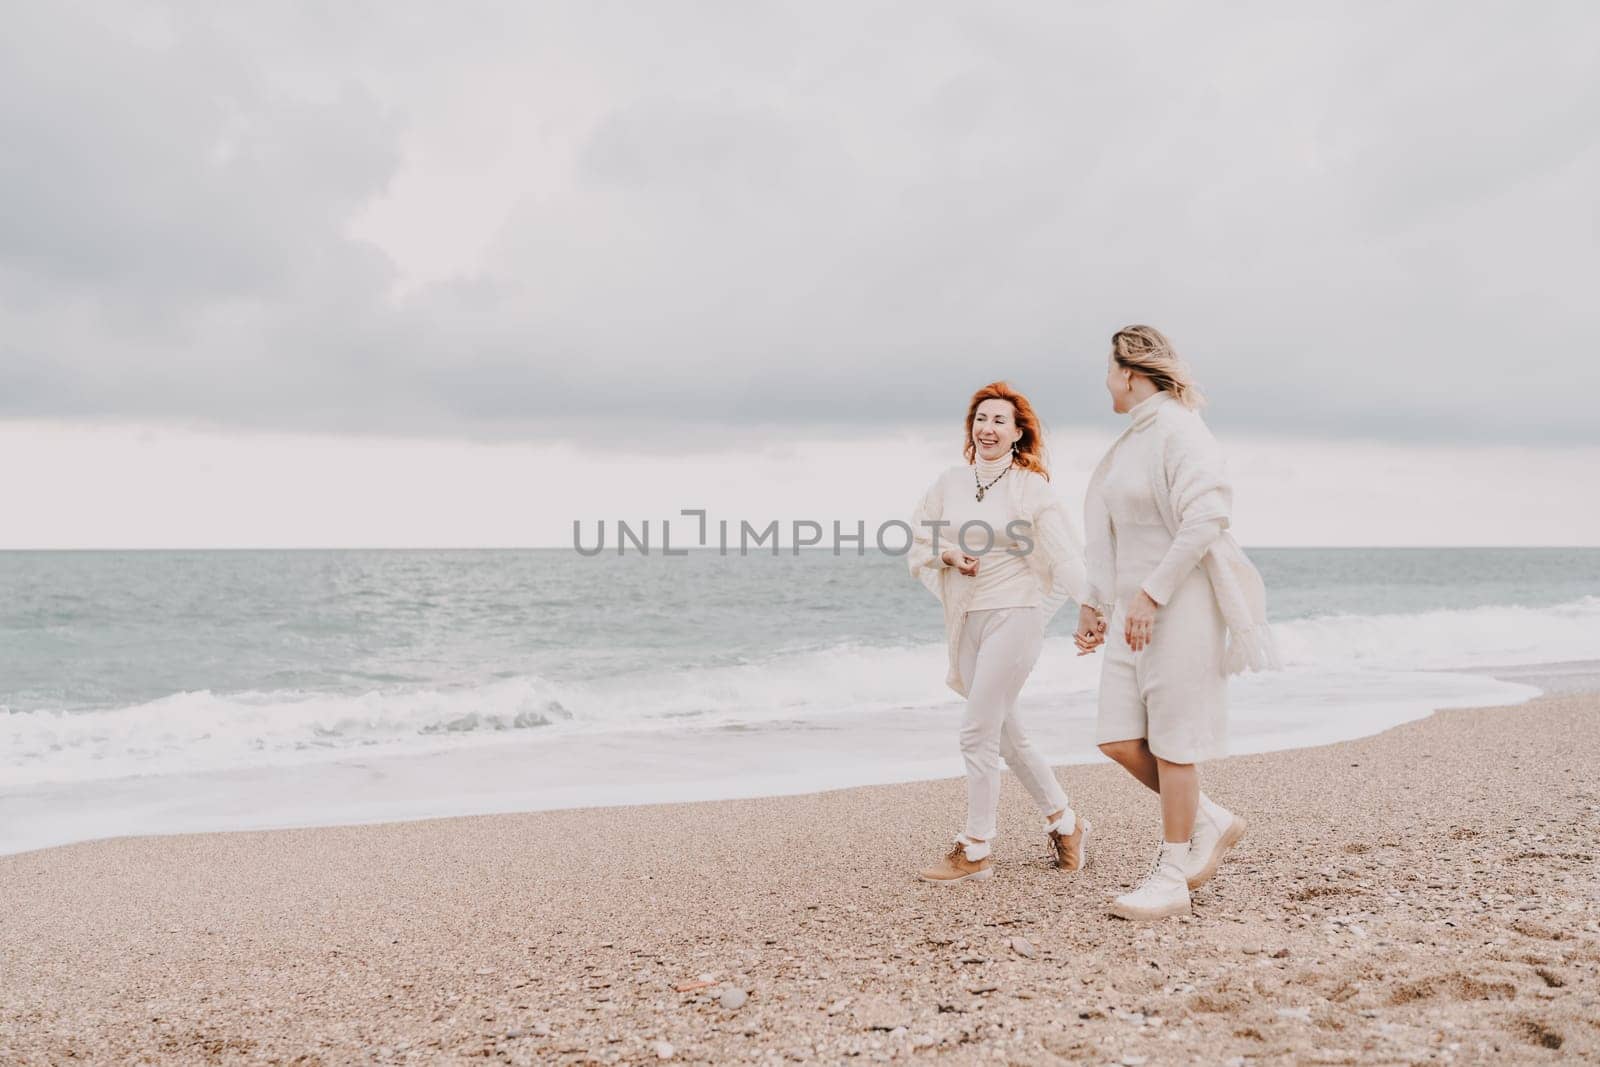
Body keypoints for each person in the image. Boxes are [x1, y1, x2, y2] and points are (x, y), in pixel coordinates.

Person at [1080, 325, 1279, 920]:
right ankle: (1210, 819)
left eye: (1110, 370)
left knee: (1174, 742)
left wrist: (1152, 594)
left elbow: (1208, 516)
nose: (1106, 381)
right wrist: (1096, 602)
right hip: (1130, 611)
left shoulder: (1181, 431)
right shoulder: (1129, 443)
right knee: (1117, 737)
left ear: (1131, 373)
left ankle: (1171, 875)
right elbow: (1108, 533)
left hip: (1178, 604)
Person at [907, 381, 1106, 884]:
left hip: (1016, 616)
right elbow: (920, 534)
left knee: (977, 731)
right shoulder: (949, 481)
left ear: (1018, 433)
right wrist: (949, 554)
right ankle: (1066, 822)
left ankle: (976, 849)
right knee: (1006, 734)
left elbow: (1063, 554)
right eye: (981, 419)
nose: (988, 428)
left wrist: (1089, 604)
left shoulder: (1029, 487)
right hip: (966, 620)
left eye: (1000, 421)